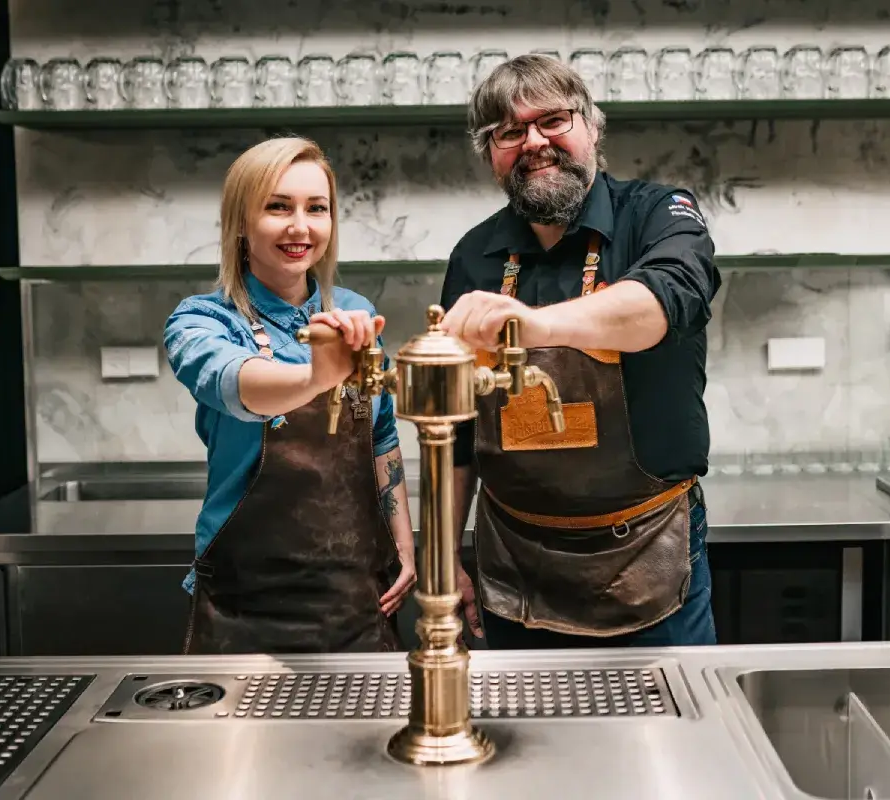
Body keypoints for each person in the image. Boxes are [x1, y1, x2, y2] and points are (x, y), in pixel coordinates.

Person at [438, 54, 722, 649]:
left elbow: (658, 305)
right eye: (509, 132)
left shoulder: (658, 214)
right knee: (525, 743)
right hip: (513, 569)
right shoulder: (474, 256)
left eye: (553, 120)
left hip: (649, 555)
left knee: (668, 739)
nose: (534, 142)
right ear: (490, 154)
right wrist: (443, 554)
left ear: (592, 126)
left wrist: (528, 325)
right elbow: (456, 424)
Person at [164, 136, 417, 655]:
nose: (300, 227)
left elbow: (382, 437)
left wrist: (404, 543)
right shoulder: (201, 320)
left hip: (355, 598)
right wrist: (315, 377)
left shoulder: (354, 310)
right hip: (242, 605)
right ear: (240, 220)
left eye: (316, 209)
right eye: (278, 207)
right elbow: (237, 385)